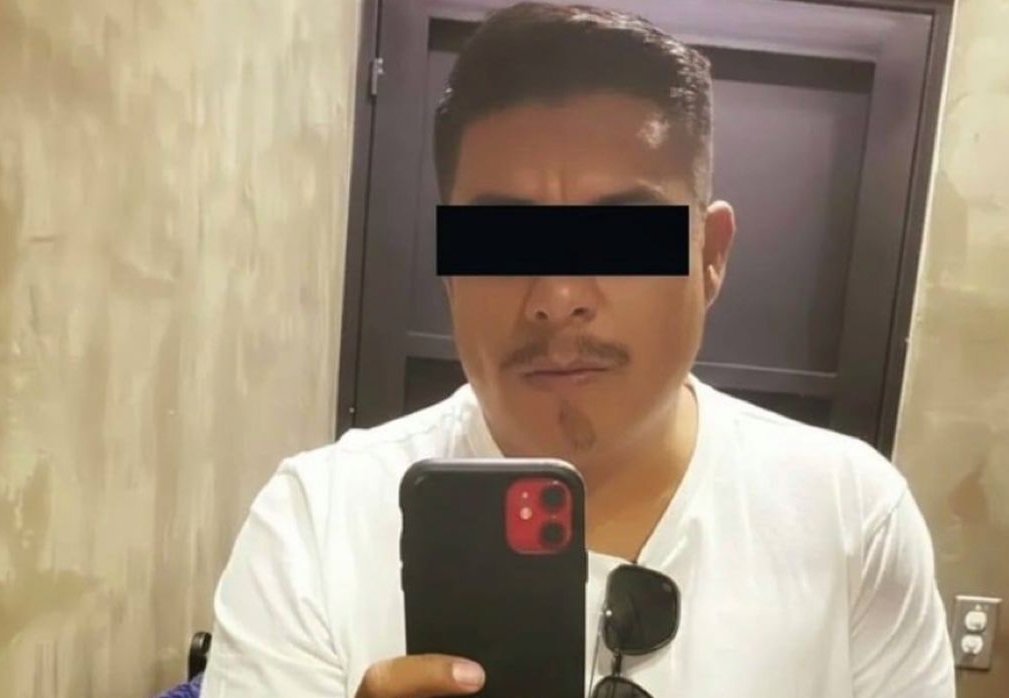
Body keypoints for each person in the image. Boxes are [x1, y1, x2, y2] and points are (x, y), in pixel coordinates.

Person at [201, 3, 955, 697]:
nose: (558, 294)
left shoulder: (851, 517)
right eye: (504, 239)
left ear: (711, 256)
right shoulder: (312, 526)